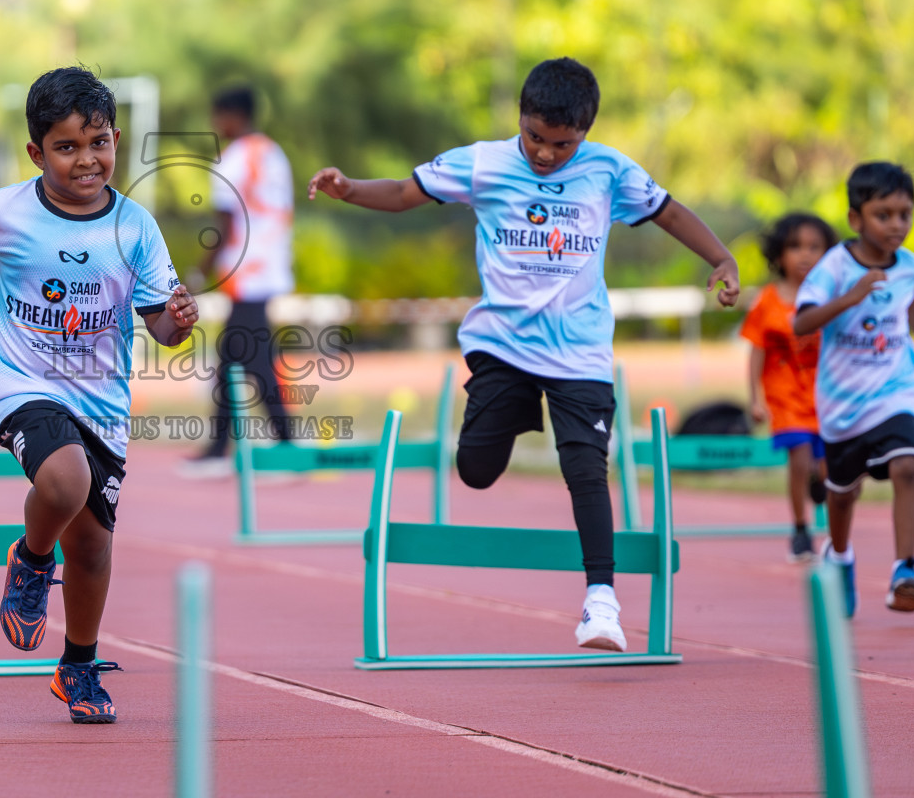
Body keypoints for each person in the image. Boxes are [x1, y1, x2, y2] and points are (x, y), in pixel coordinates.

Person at [307, 57, 740, 653]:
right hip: (503, 345)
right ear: (520, 117)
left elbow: (667, 211)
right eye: (535, 137)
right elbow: (407, 192)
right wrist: (350, 188)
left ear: (585, 131)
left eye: (561, 144)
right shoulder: (483, 162)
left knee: (587, 466)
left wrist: (720, 258)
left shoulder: (608, 170)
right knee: (477, 472)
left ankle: (601, 602)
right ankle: (515, 410)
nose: (544, 154)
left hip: (580, 349)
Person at [0, 67, 196, 723]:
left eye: (98, 142)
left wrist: (177, 325)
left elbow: (159, 323)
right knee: (63, 482)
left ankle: (78, 667)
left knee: (95, 547)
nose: (87, 159)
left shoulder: (135, 228)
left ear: (117, 140)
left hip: (100, 400)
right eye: (68, 147)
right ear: (36, 153)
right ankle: (30, 558)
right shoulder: (3, 210)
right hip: (17, 381)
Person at [793, 162, 914, 618]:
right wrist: (852, 296)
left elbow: (907, 297)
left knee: (907, 465)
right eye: (884, 215)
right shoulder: (834, 267)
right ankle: (839, 554)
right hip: (843, 402)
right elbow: (802, 322)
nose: (897, 225)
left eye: (905, 214)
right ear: (856, 219)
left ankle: (905, 570)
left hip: (895, 387)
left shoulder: (910, 265)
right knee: (842, 493)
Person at [184, 85, 295, 475]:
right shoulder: (274, 154)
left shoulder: (233, 160)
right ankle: (223, 447)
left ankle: (285, 445)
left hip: (246, 270)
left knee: (250, 359)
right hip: (270, 264)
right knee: (235, 357)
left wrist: (200, 272)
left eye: (218, 116)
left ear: (232, 115)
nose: (216, 124)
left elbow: (225, 224)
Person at [741, 212, 838, 561]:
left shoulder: (831, 296)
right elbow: (755, 352)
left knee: (828, 465)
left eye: (815, 247)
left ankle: (818, 479)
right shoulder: (768, 300)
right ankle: (800, 530)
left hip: (825, 398)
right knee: (799, 458)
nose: (805, 255)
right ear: (778, 254)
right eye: (795, 247)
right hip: (784, 399)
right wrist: (755, 399)